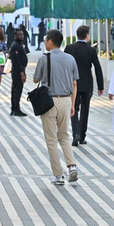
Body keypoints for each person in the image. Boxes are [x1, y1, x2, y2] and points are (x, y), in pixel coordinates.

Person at [33, 29, 80, 186]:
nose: (45, 42)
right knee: (64, 136)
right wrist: (73, 104)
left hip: (49, 102)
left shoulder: (44, 59)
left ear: (51, 42)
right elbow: (74, 83)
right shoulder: (70, 59)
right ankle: (72, 166)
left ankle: (58, 175)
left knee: (51, 139)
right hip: (66, 100)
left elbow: (35, 79)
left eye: (46, 40)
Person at [64, 25, 104, 146]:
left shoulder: (69, 48)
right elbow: (97, 68)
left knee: (74, 108)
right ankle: (82, 136)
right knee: (85, 110)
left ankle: (75, 133)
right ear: (87, 36)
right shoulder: (91, 50)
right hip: (87, 84)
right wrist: (101, 86)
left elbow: (63, 65)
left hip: (72, 83)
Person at [8, 30, 29, 117]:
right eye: (19, 35)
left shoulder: (18, 44)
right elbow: (17, 61)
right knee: (17, 90)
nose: (21, 36)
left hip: (17, 70)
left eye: (22, 34)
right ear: (15, 36)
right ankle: (16, 108)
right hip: (17, 71)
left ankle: (14, 108)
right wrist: (22, 73)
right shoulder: (16, 46)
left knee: (15, 90)